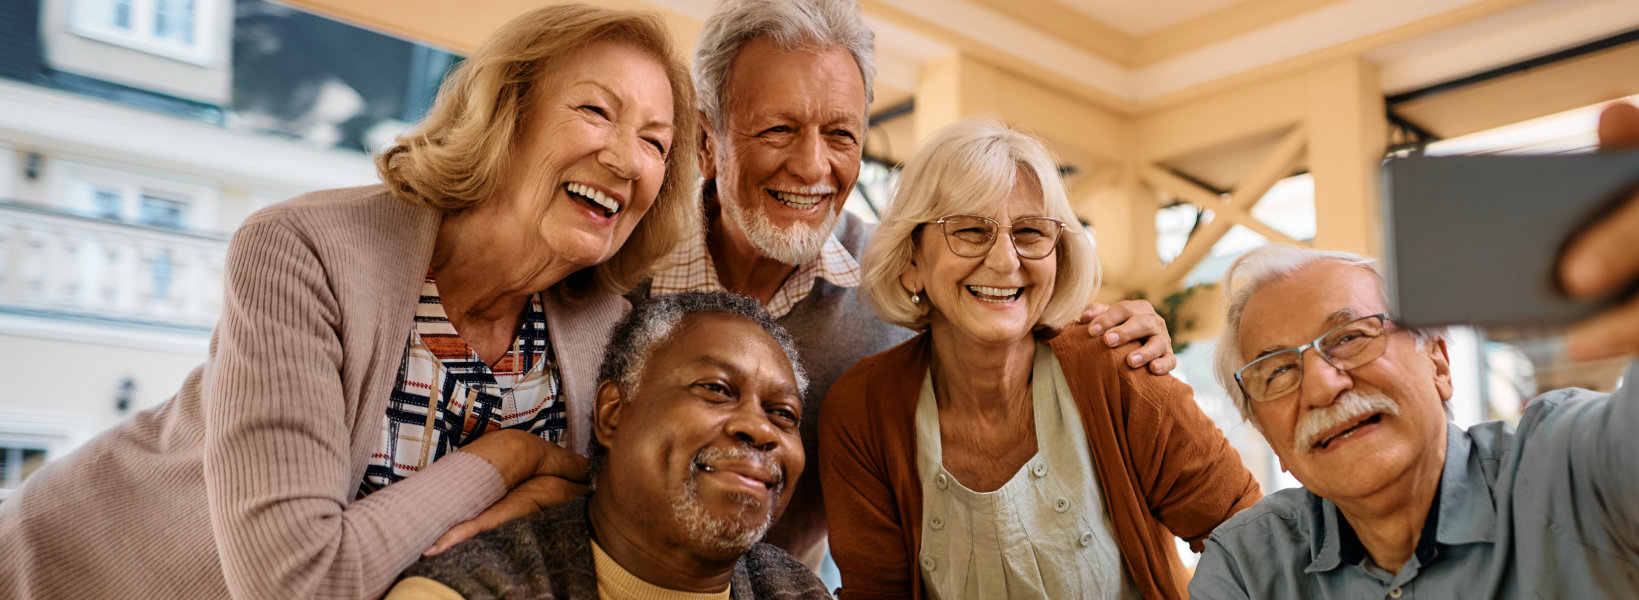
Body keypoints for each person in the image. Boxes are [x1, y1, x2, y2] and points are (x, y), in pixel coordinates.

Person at [0, 5, 700, 598]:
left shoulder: (607, 332)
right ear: (506, 114)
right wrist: (508, 460)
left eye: (655, 143)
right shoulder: (301, 248)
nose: (628, 160)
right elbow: (297, 582)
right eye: (595, 111)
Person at [1188, 103, 1639, 598]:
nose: (1322, 385)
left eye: (1351, 338)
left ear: (1438, 361)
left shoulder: (1569, 474)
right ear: (1266, 433)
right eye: (1277, 373)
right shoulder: (1249, 564)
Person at [648, 0, 1179, 564]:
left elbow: (1010, 301)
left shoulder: (902, 274)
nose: (812, 166)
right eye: (779, 129)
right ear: (707, 142)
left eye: (841, 135)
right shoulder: (622, 260)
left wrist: (1120, 331)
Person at [820, 118, 1263, 600]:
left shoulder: (1115, 370)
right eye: (970, 230)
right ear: (912, 261)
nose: (1006, 260)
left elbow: (1251, 543)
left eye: (1030, 232)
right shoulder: (861, 410)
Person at [387, 292, 830, 600]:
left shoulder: (798, 591)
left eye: (783, 414)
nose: (761, 429)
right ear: (613, 413)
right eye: (715, 388)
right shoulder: (472, 588)